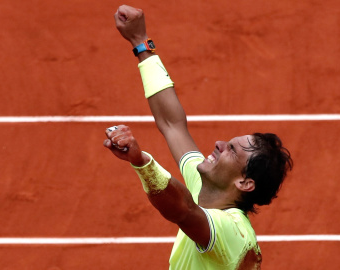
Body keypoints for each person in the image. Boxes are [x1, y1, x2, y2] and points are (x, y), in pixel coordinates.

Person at [103, 5, 293, 270]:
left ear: (245, 182)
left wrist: (141, 162)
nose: (218, 144)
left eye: (232, 151)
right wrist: (140, 42)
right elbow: (172, 124)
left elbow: (183, 210)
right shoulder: (208, 187)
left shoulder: (231, 231)